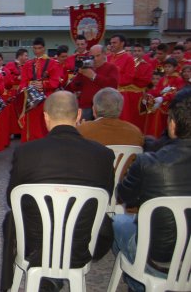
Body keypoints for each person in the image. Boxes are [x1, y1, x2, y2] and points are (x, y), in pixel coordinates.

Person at [0, 91, 114, 292]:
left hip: (34, 247)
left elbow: (12, 199)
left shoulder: (26, 152)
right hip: (80, 247)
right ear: (79, 115)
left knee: (11, 218)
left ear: (45, 117)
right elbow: (106, 199)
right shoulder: (103, 154)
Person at [113, 88, 191, 292]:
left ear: (172, 124)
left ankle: (138, 284)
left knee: (118, 221)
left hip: (159, 256)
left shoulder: (149, 162)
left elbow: (124, 196)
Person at [18, 37, 62, 142]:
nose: (37, 51)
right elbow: (22, 83)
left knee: (45, 125)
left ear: (44, 48)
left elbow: (55, 82)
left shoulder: (53, 63)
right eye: (35, 48)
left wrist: (43, 84)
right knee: (31, 126)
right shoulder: (27, 64)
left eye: (39, 48)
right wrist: (30, 83)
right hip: (31, 101)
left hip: (46, 100)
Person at [77, 87, 144, 147]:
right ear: (120, 108)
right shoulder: (135, 133)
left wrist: (81, 128)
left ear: (94, 109)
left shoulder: (83, 130)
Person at [67, 44, 119, 121]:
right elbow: (74, 86)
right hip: (86, 106)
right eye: (92, 56)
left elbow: (112, 85)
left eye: (98, 56)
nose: (94, 59)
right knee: (84, 130)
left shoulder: (111, 67)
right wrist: (79, 73)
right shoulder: (86, 68)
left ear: (104, 55)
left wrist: (94, 76)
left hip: (103, 107)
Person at [143, 58, 185, 138]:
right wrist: (149, 95)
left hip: (170, 105)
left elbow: (175, 93)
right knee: (150, 111)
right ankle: (151, 136)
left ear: (175, 68)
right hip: (160, 103)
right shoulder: (163, 78)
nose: (167, 69)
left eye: (169, 67)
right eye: (165, 67)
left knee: (158, 115)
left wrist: (163, 98)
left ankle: (158, 137)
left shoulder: (178, 79)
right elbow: (158, 90)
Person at [107, 34, 136, 123]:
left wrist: (112, 81)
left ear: (122, 43)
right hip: (107, 93)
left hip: (120, 94)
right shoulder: (108, 57)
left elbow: (129, 78)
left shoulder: (128, 58)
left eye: (115, 43)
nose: (112, 45)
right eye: (111, 43)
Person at [126, 44, 153, 131]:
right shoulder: (129, 64)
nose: (136, 53)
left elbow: (145, 81)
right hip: (127, 95)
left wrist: (133, 77)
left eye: (139, 51)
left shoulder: (148, 66)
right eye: (135, 51)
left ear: (144, 52)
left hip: (140, 96)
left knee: (138, 118)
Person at [5, 48, 29, 137]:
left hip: (23, 92)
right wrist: (16, 78)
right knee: (13, 113)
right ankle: (13, 131)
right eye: (25, 55)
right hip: (13, 91)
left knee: (22, 111)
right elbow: (6, 76)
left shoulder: (27, 65)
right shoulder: (11, 65)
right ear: (20, 56)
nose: (27, 57)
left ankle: (20, 130)